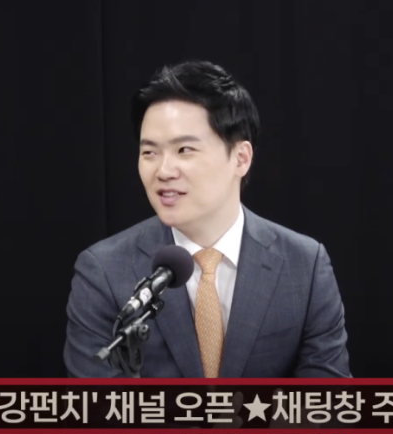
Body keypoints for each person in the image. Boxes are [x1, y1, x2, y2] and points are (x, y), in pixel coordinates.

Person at [63, 60, 351, 379]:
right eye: (149, 153)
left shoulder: (304, 265)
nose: (163, 171)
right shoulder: (103, 270)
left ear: (240, 158)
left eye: (184, 149)